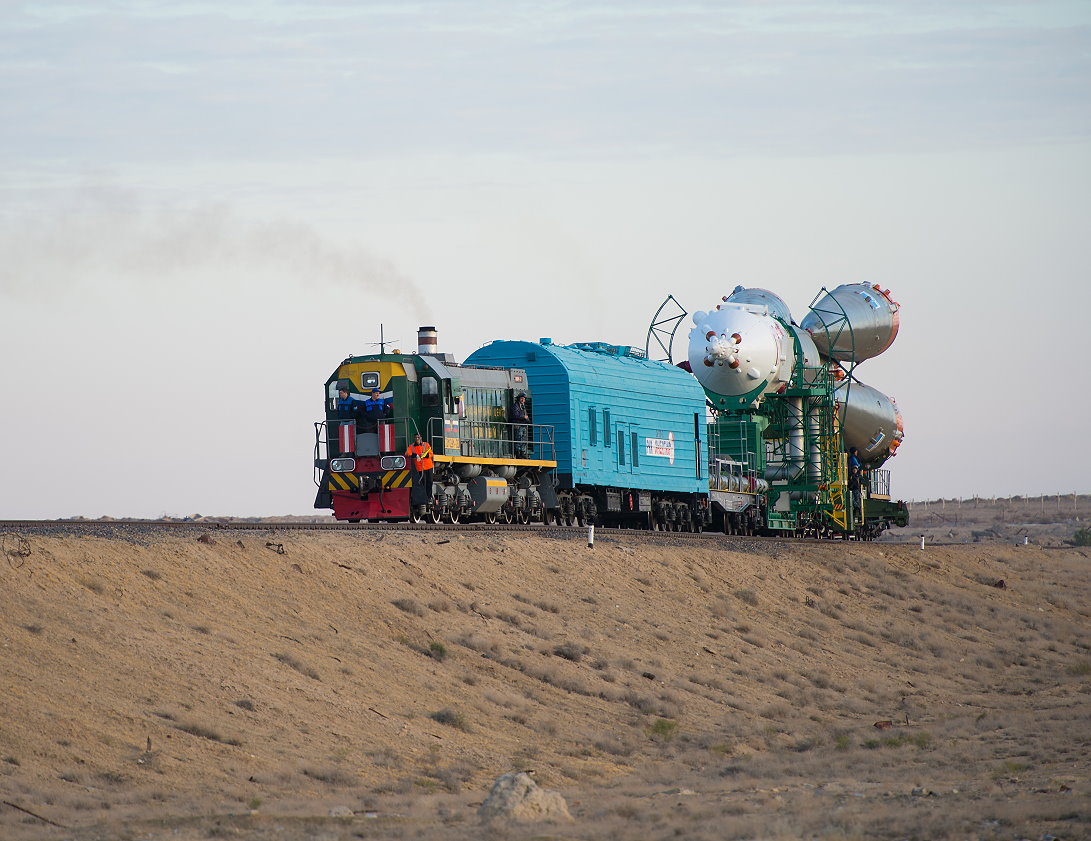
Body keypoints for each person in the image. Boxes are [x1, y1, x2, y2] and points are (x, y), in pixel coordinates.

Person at [405, 433, 434, 508]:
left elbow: (431, 453)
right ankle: (424, 499)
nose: (417, 438)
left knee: (430, 482)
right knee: (423, 483)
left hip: (428, 466)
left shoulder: (426, 445)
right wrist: (416, 455)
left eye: (418, 437)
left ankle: (429, 498)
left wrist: (425, 455)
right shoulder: (411, 446)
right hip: (419, 468)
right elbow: (407, 453)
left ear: (421, 437)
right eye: (416, 437)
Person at [510, 392, 530, 458]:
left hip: (523, 425)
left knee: (523, 439)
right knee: (518, 438)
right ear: (519, 398)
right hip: (518, 425)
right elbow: (515, 415)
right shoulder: (515, 406)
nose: (523, 400)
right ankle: (518, 453)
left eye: (524, 398)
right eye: (521, 398)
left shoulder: (523, 407)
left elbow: (526, 415)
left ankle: (522, 452)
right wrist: (523, 417)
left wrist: (527, 420)